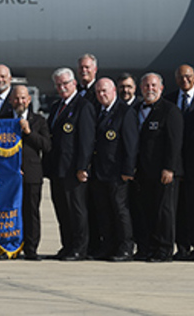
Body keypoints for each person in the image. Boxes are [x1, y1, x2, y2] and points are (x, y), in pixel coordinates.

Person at [45, 67, 95, 261]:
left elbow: (86, 140)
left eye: (65, 83)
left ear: (74, 83)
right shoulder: (57, 106)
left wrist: (83, 166)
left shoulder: (83, 106)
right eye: (59, 85)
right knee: (62, 211)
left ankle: (80, 247)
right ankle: (67, 245)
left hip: (74, 169)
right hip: (58, 169)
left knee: (77, 210)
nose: (62, 87)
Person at [85, 78, 138, 261]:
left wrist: (128, 170)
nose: (102, 95)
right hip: (100, 172)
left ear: (114, 90)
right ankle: (108, 245)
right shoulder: (97, 111)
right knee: (103, 211)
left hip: (117, 172)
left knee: (120, 210)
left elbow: (131, 145)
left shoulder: (125, 112)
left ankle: (126, 246)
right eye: (99, 92)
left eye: (105, 91)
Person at [135, 72, 183, 262]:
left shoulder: (170, 111)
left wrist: (169, 168)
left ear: (161, 88)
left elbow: (174, 142)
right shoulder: (137, 109)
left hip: (164, 172)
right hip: (144, 172)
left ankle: (164, 250)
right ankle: (150, 248)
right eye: (146, 86)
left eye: (154, 86)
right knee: (147, 210)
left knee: (164, 212)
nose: (150, 89)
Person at [10, 84, 51, 260]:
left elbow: (46, 145)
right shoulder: (3, 119)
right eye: (17, 98)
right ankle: (10, 247)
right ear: (11, 100)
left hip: (32, 173)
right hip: (9, 175)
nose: (20, 101)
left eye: (23, 98)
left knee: (31, 211)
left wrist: (28, 131)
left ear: (29, 100)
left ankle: (31, 248)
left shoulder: (39, 120)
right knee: (10, 212)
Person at [164, 64, 194, 260]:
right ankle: (182, 247)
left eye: (188, 76)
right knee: (179, 209)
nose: (185, 80)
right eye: (181, 77)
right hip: (178, 165)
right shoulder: (169, 100)